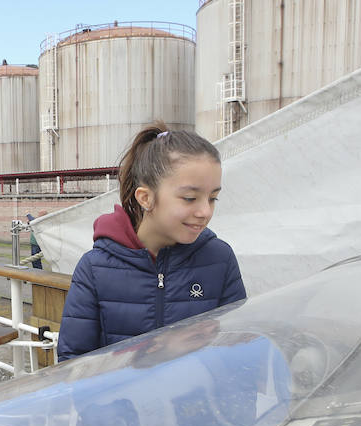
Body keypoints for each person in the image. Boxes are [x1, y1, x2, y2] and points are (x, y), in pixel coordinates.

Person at [57, 124, 245, 361]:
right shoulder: (95, 269)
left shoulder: (220, 259)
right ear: (146, 198)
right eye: (190, 198)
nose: (205, 211)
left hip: (199, 398)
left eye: (213, 198)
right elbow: (72, 363)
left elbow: (238, 352)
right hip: (122, 398)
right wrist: (155, 354)